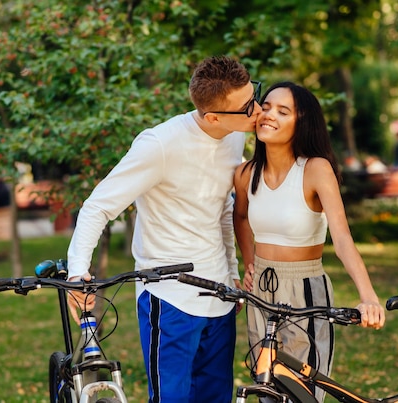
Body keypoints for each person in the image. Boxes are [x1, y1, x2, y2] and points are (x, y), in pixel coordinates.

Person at [66, 55, 261, 403]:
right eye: (247, 106)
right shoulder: (159, 145)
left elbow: (221, 208)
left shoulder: (234, 136)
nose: (258, 109)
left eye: (254, 95)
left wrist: (232, 272)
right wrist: (77, 272)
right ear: (213, 116)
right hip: (170, 298)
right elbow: (97, 206)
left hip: (220, 296)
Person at [233, 82, 385, 400]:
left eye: (283, 111)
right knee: (267, 388)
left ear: (301, 123)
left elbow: (342, 238)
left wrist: (368, 295)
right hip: (261, 289)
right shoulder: (246, 173)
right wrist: (249, 263)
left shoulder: (316, 170)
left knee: (304, 392)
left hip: (305, 289)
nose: (268, 115)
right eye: (267, 106)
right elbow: (241, 217)